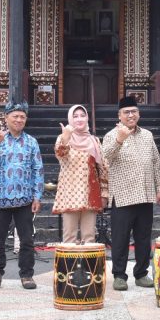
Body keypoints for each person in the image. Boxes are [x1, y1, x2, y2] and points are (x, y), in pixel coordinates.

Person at [102, 96, 160, 291]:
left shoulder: (147, 135)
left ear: (138, 114)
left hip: (145, 195)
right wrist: (120, 140)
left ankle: (141, 273)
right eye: (126, 112)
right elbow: (106, 158)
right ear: (119, 115)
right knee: (120, 239)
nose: (131, 115)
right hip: (122, 196)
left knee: (144, 238)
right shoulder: (111, 135)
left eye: (134, 112)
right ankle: (119, 275)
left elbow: (156, 163)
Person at [0, 101, 44, 296]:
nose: (19, 119)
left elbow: (38, 170)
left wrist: (37, 196)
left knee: (27, 239)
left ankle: (26, 274)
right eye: (15, 116)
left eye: (22, 117)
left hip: (25, 199)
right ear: (6, 118)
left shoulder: (31, 142)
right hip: (1, 197)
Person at [54, 104, 108, 243]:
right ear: (70, 119)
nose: (79, 119)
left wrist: (104, 194)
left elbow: (103, 168)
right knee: (69, 237)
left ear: (87, 118)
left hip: (90, 193)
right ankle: (68, 266)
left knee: (89, 237)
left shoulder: (94, 140)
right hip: (70, 194)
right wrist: (65, 138)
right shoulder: (63, 137)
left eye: (82, 116)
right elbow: (61, 156)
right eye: (75, 116)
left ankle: (88, 265)